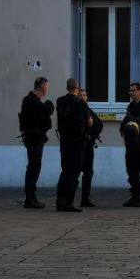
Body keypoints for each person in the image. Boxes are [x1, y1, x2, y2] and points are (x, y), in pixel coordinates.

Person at [55, 78, 92, 212]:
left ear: (67, 87)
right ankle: (69, 202)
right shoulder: (81, 103)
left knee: (65, 171)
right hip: (77, 142)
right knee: (74, 172)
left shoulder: (60, 101)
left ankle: (60, 200)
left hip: (64, 141)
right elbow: (89, 122)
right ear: (77, 88)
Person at [19, 77, 54, 209]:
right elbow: (48, 109)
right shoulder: (31, 101)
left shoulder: (32, 100)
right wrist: (49, 103)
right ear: (43, 86)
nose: (48, 88)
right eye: (47, 86)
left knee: (34, 166)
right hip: (34, 138)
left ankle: (31, 196)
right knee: (34, 166)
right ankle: (30, 197)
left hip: (36, 137)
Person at [79, 88, 103, 208]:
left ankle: (85, 198)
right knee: (73, 173)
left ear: (87, 97)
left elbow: (99, 125)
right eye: (80, 95)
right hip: (77, 146)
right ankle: (67, 199)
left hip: (88, 146)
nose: (82, 97)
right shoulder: (75, 110)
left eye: (84, 95)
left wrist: (90, 132)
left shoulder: (89, 111)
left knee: (88, 172)